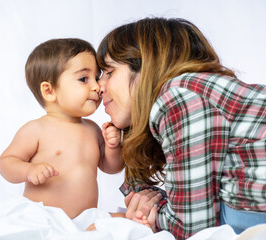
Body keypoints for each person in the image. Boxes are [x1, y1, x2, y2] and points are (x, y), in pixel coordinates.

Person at [96, 17, 266, 239]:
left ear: (147, 67)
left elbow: (193, 228)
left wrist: (149, 214)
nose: (98, 87)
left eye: (109, 72)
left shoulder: (179, 97)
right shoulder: (193, 92)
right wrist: (148, 200)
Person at [0, 38, 125, 222]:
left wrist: (113, 147)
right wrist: (29, 170)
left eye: (97, 78)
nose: (97, 86)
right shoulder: (36, 130)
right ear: (49, 91)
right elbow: (6, 163)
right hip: (44, 219)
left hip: (84, 220)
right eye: (84, 79)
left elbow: (111, 167)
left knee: (122, 221)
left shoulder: (93, 130)